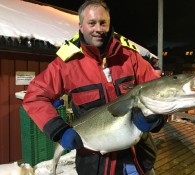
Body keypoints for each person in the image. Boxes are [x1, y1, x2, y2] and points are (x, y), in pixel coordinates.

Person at [22, 0, 167, 174]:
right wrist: (59, 130)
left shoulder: (130, 56)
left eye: (103, 23)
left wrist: (156, 119)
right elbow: (34, 96)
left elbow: (159, 90)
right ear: (81, 26)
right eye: (91, 23)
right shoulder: (67, 64)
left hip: (138, 160)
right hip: (95, 165)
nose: (98, 29)